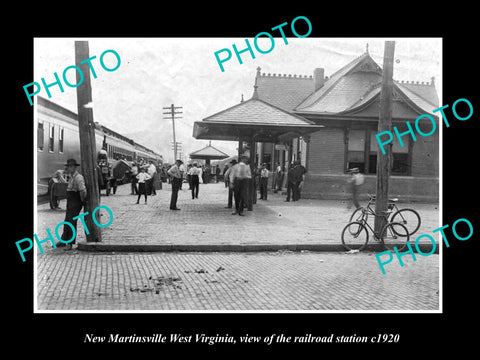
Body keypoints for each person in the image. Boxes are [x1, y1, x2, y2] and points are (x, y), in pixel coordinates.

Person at [55, 159, 86, 250]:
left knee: (72, 222)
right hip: (71, 201)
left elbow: (83, 191)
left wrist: (82, 201)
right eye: (68, 167)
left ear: (74, 167)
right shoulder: (72, 177)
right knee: (67, 221)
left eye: (70, 167)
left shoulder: (78, 177)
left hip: (75, 202)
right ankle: (64, 240)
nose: (68, 168)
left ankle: (70, 243)